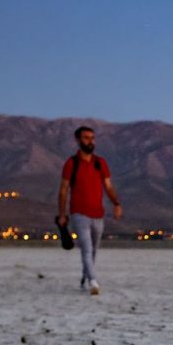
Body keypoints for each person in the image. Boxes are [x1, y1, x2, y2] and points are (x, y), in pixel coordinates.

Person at [56, 125, 123, 295]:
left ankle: (85, 278)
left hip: (98, 214)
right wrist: (62, 214)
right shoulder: (72, 163)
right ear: (78, 140)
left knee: (93, 250)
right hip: (79, 213)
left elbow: (108, 186)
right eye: (86, 138)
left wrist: (116, 203)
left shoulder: (100, 163)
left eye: (92, 138)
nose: (90, 141)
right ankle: (93, 281)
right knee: (86, 248)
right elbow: (63, 190)